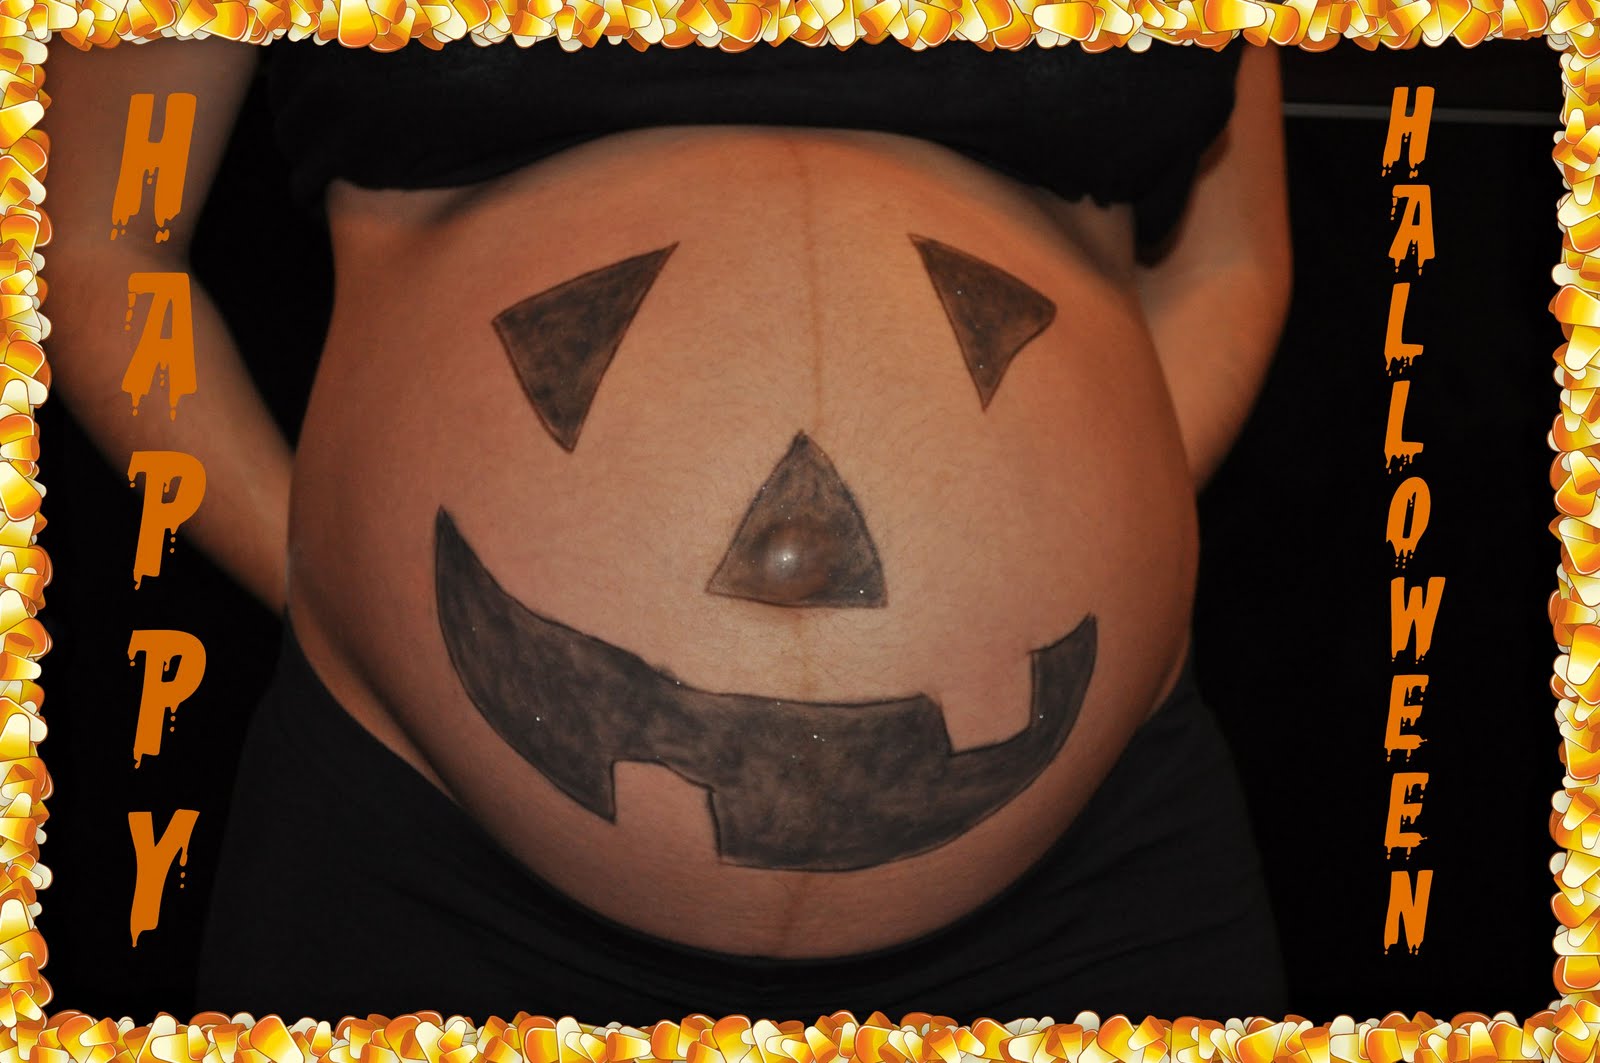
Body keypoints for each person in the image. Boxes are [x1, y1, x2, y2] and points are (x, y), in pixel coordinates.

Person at [42, 29, 1292, 1026]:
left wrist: (1096, 532)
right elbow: (108, 246)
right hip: (428, 880)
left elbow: (1227, 265)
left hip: (1095, 904)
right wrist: (324, 563)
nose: (806, 566)